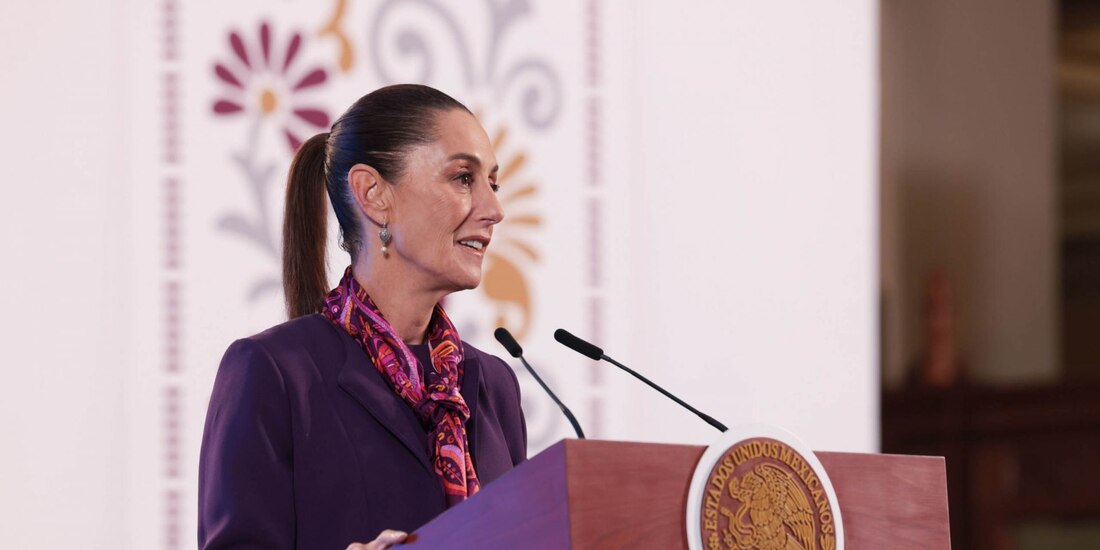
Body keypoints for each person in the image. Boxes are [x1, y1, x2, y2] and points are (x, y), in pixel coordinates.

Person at [198, 84, 527, 549]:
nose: (494, 210)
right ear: (373, 194)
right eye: (463, 179)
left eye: (492, 183)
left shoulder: (493, 384)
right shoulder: (272, 371)